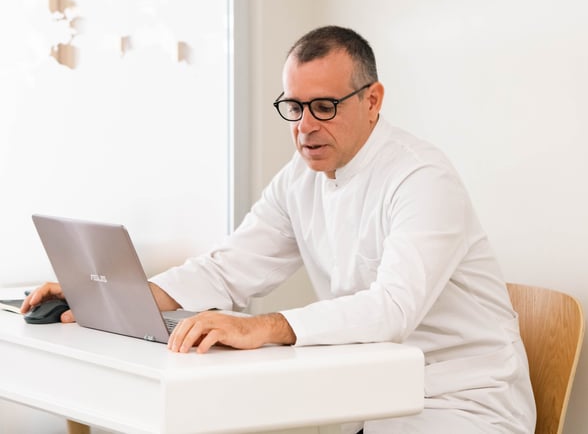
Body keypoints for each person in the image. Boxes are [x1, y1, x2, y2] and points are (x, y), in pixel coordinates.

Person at [22, 25, 536, 433]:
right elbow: (229, 268)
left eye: (324, 107)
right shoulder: (301, 176)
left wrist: (262, 326)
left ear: (373, 100)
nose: (305, 126)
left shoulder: (422, 178)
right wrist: (109, 293)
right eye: (294, 107)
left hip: (462, 405)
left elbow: (392, 308)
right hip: (374, 400)